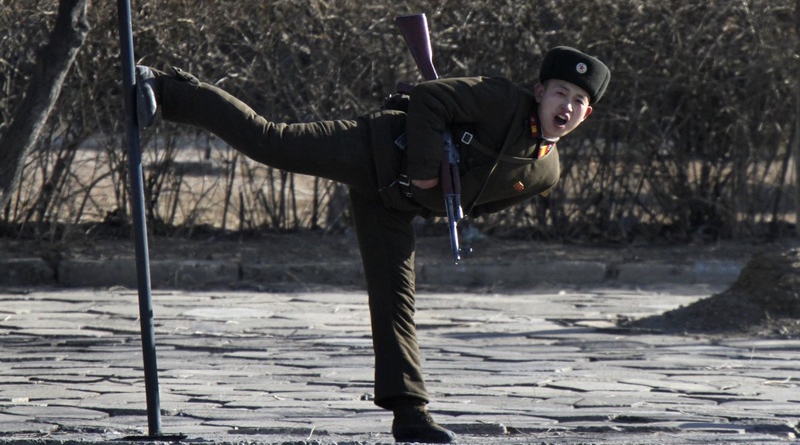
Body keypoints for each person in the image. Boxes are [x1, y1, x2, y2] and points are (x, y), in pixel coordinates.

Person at [134, 45, 610, 443]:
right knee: (271, 141)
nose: (566, 106)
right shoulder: (502, 98)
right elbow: (429, 97)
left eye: (578, 101)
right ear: (541, 92)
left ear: (587, 114)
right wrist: (427, 168)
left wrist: (444, 201)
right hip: (375, 150)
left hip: (394, 207)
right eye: (561, 92)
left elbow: (477, 204)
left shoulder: (546, 171)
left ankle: (409, 414)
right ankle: (166, 88)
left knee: (395, 302)